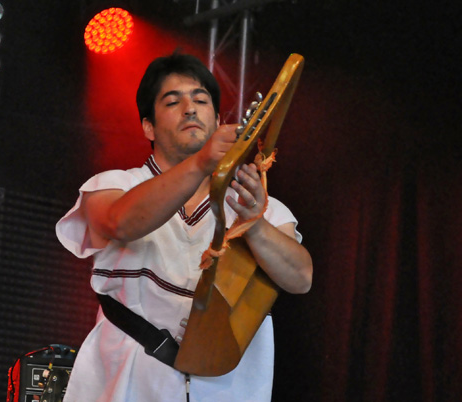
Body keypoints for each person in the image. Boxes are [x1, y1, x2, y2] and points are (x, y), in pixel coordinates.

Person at [56, 52, 312, 401]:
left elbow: (301, 277)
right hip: (123, 387)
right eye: (173, 102)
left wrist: (253, 224)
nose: (190, 109)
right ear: (148, 126)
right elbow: (119, 223)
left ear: (218, 120)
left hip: (227, 391)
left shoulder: (259, 205)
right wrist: (202, 162)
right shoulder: (113, 184)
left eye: (201, 100)